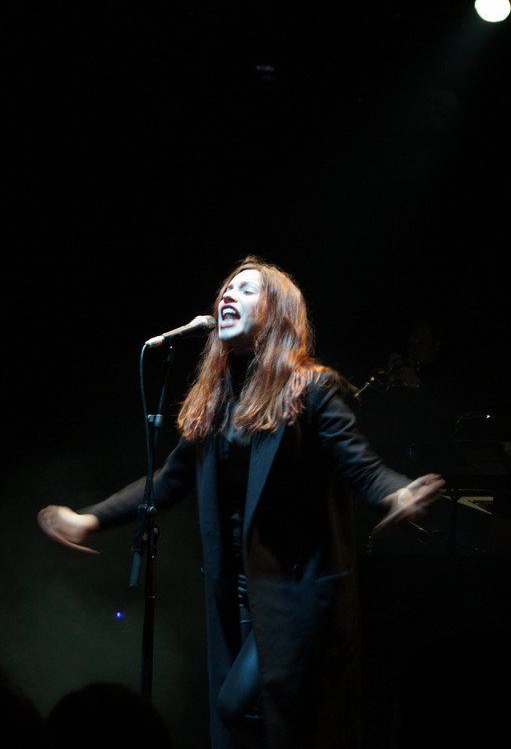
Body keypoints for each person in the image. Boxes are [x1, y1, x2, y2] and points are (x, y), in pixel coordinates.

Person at [38, 256, 443, 749]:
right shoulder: (215, 402)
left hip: (295, 594)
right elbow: (168, 481)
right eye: (226, 289)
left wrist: (398, 492)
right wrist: (90, 520)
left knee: (246, 710)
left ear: (277, 313)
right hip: (235, 589)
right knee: (246, 729)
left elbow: (358, 462)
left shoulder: (311, 388)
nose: (228, 295)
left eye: (246, 289)